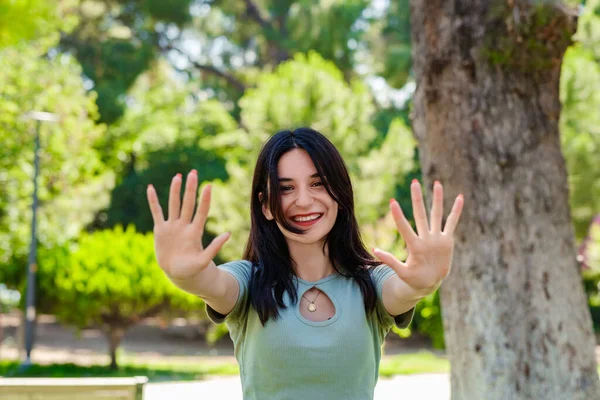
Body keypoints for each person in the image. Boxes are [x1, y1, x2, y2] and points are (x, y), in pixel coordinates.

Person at [146, 127, 464, 400]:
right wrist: (187, 276)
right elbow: (213, 284)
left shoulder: (371, 283)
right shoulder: (249, 282)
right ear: (267, 205)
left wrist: (424, 281)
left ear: (340, 194)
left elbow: (403, 290)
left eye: (318, 183)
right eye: (286, 188)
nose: (303, 200)